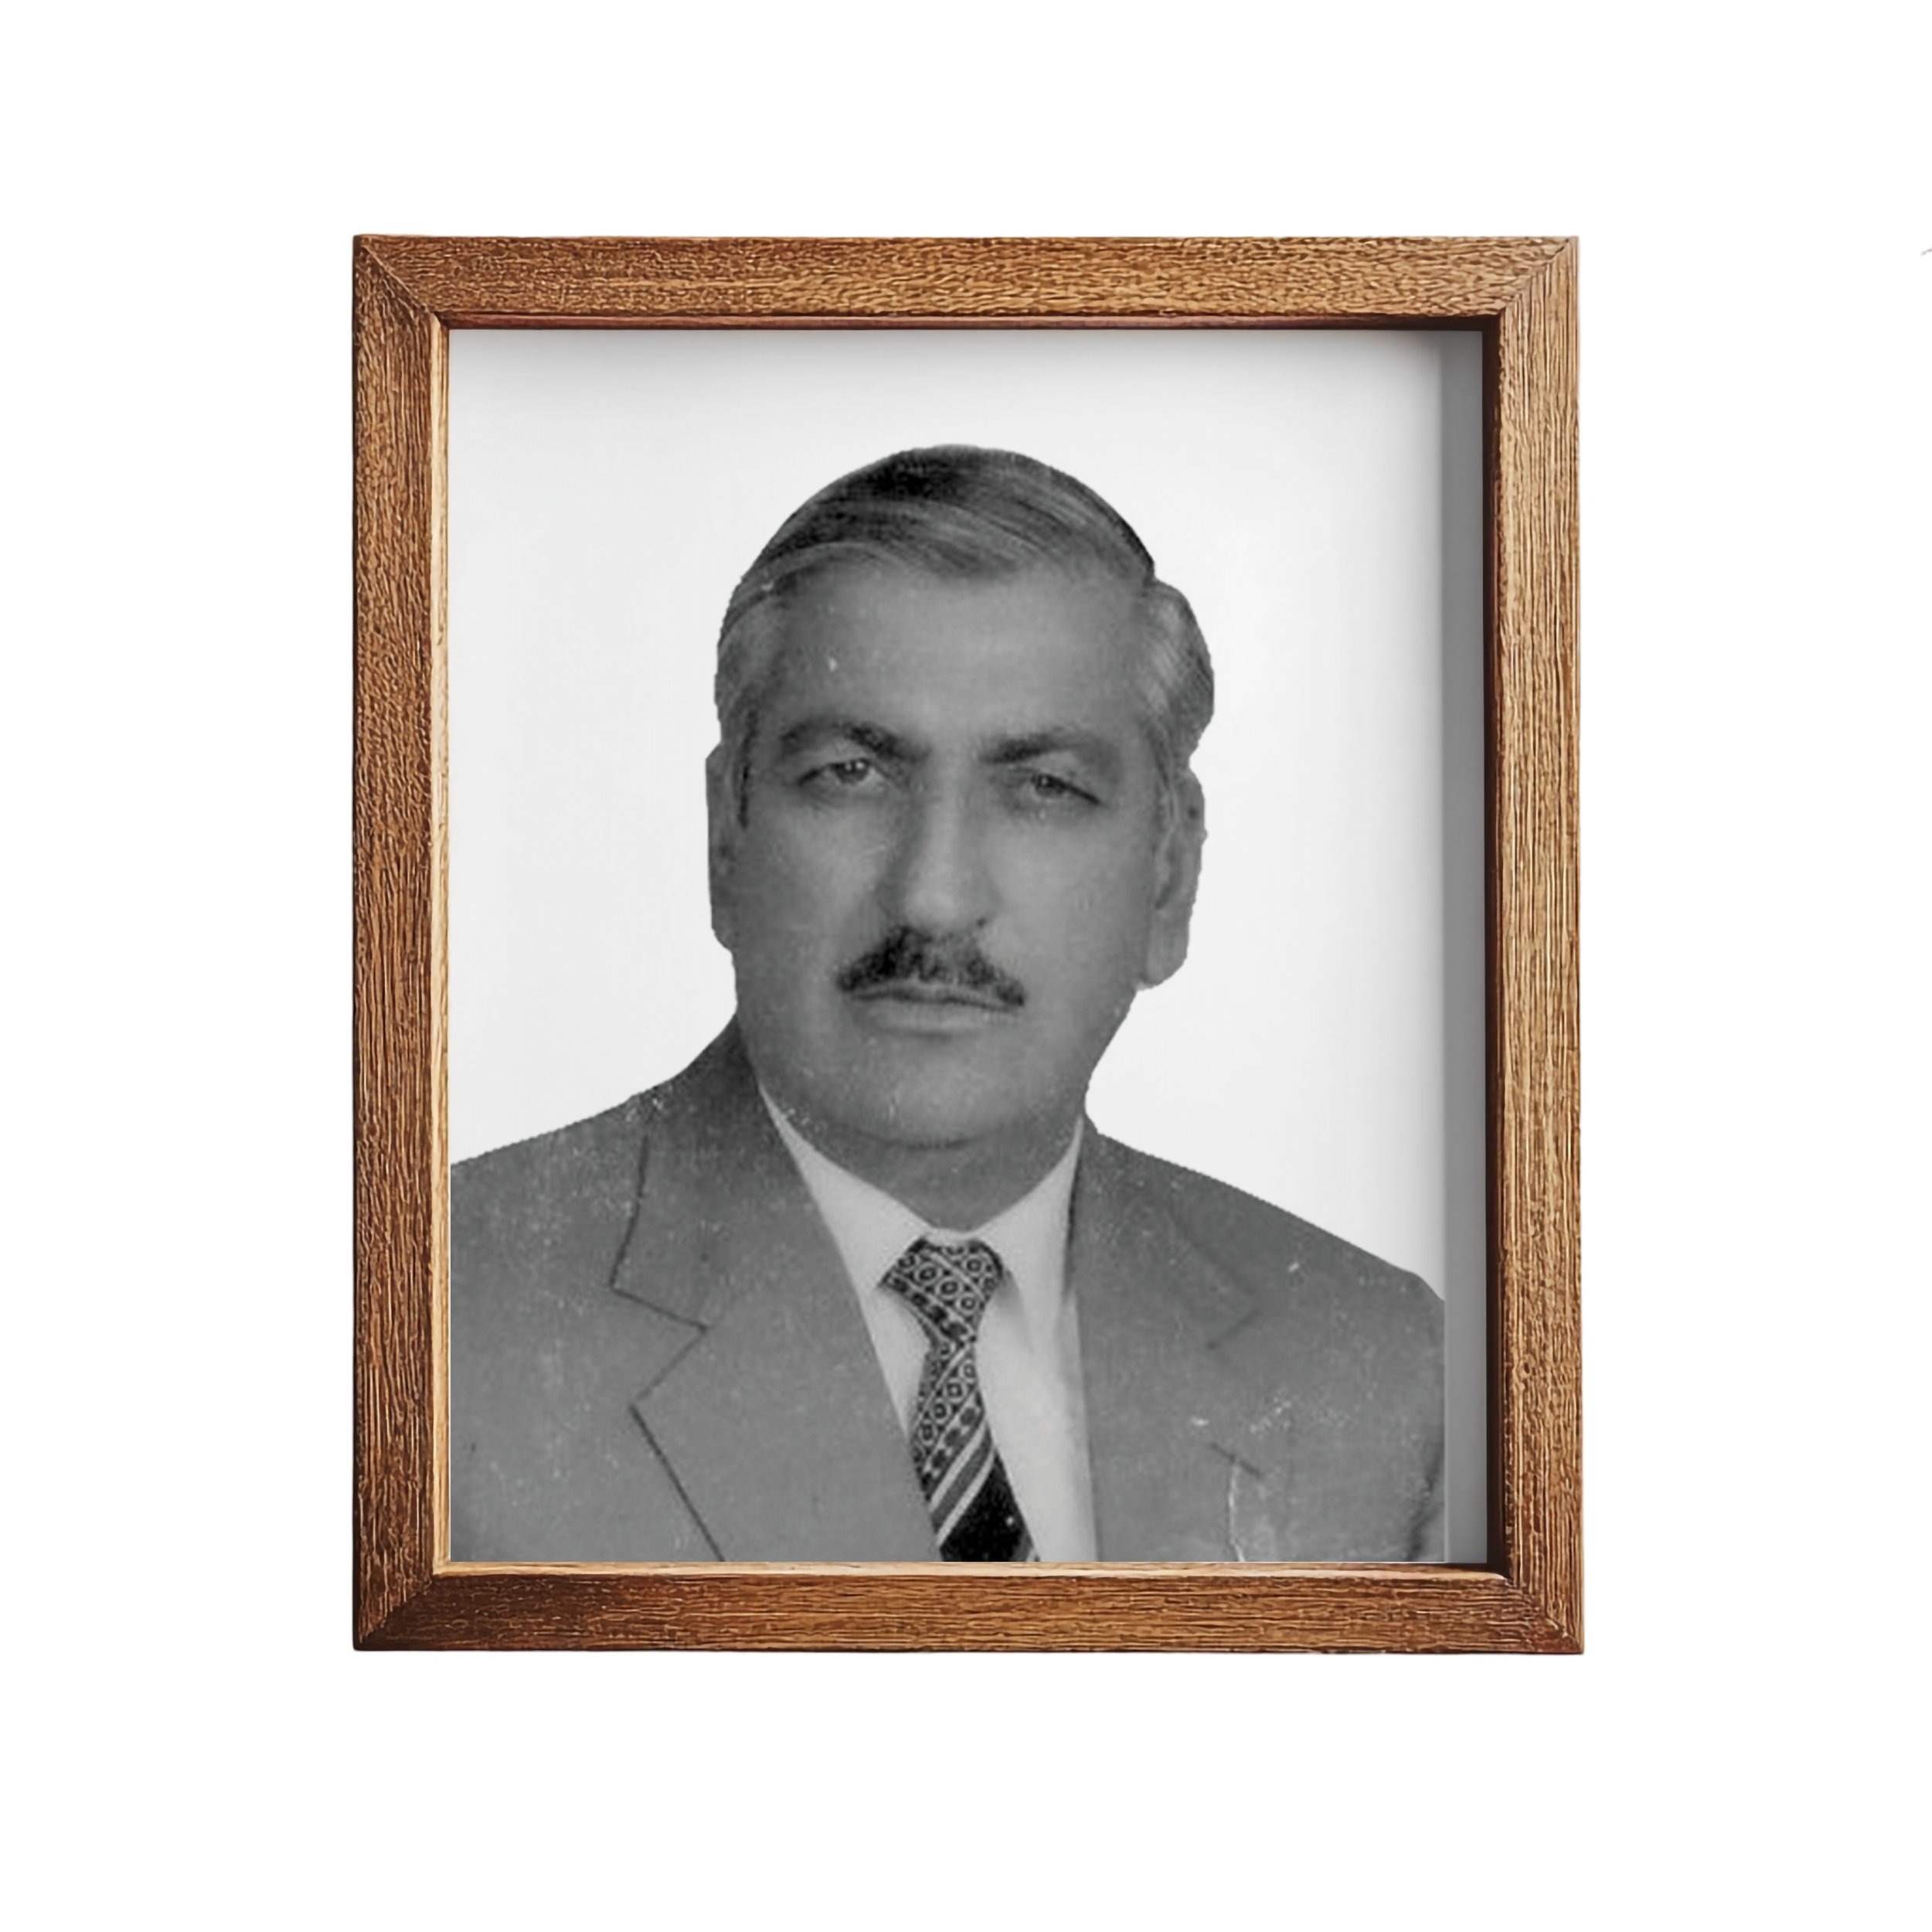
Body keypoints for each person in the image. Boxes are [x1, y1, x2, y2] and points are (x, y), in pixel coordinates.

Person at [451, 445, 1443, 1563]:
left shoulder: (1387, 1369)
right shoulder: (412, 1322)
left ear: (1169, 874)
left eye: (1044, 789)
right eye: (851, 775)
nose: (933, 895)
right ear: (728, 836)